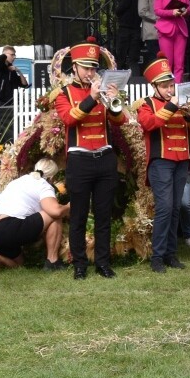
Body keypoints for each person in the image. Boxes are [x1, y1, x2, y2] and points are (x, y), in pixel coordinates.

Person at [53, 38, 125, 279]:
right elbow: (69, 118)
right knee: (79, 216)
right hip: (79, 159)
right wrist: (92, 98)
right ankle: (80, 265)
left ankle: (103, 263)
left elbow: (120, 121)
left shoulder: (102, 91)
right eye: (85, 68)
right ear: (74, 67)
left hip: (104, 157)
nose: (90, 73)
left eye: (93, 68)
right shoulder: (63, 94)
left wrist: (114, 101)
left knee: (104, 214)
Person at [135, 56, 190, 272]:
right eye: (165, 86)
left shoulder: (182, 104)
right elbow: (149, 124)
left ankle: (170, 254)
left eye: (171, 86)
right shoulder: (146, 105)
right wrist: (172, 105)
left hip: (181, 160)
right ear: (154, 87)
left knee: (175, 208)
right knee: (165, 208)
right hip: (161, 162)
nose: (169, 90)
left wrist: (189, 115)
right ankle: (157, 257)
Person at [0, 157, 68, 272]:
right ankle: (52, 261)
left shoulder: (18, 181)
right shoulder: (43, 184)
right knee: (55, 216)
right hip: (10, 228)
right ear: (52, 177)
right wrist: (69, 206)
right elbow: (56, 211)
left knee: (19, 264)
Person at [153, 0, 190, 81]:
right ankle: (167, 87)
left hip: (180, 29)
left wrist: (185, 11)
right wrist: (171, 12)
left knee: (180, 63)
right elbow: (157, 10)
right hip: (165, 30)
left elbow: (189, 8)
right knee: (167, 62)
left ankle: (177, 87)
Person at [0, 44, 31, 142]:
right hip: (0, 102)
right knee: (0, 126)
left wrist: (18, 71)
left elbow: (24, 84)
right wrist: (5, 55)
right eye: (12, 55)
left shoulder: (12, 70)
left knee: (12, 127)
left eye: (14, 55)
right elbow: (1, 60)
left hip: (12, 102)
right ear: (6, 55)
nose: (14, 57)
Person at [112, 0, 146, 72]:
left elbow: (125, 3)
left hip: (125, 25)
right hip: (138, 26)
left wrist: (117, 12)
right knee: (133, 58)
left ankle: (119, 77)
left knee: (121, 56)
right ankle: (135, 77)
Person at [137, 0, 163, 69]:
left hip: (167, 31)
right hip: (152, 32)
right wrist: (160, 18)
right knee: (155, 60)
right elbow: (142, 11)